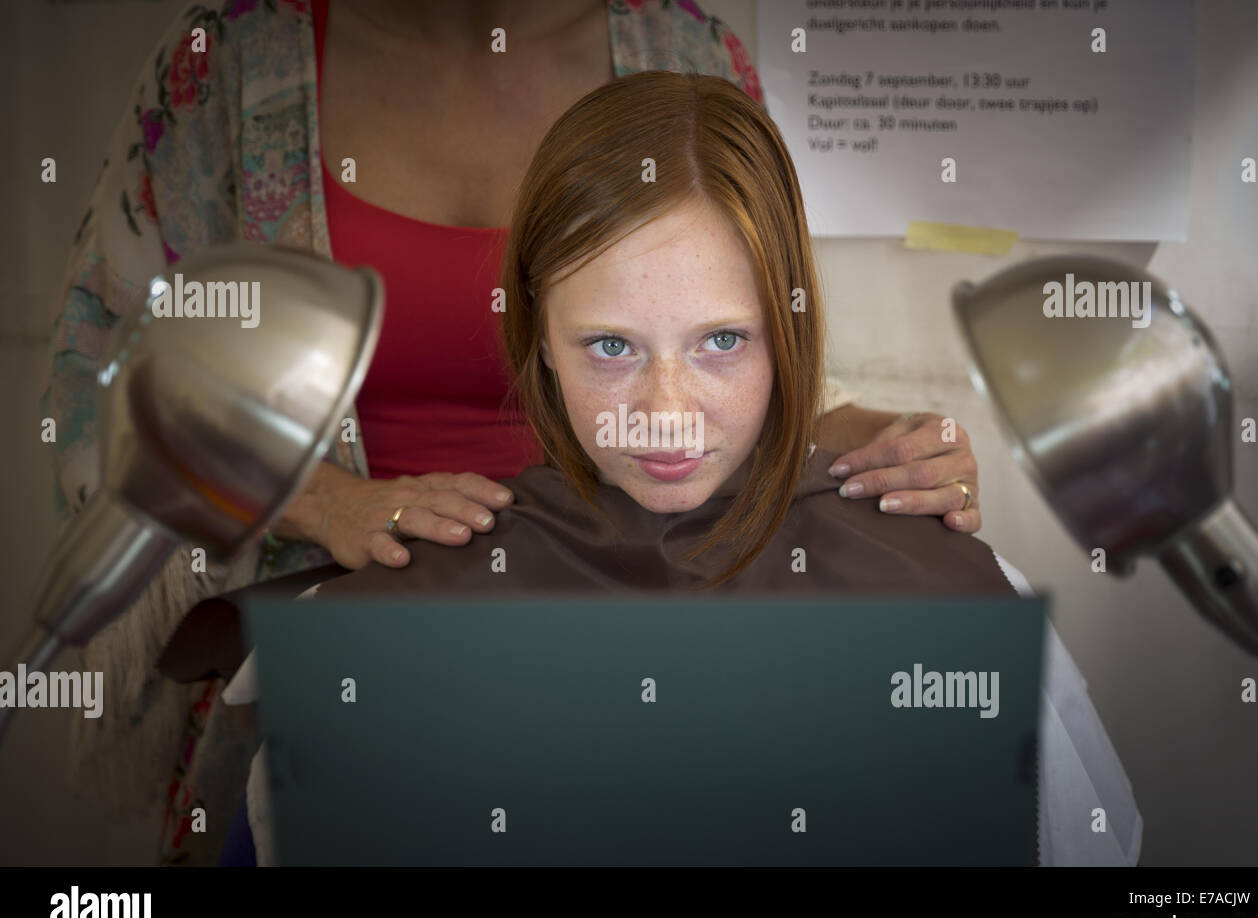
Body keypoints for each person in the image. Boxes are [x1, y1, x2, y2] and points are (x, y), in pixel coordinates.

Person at [41, 0, 984, 865]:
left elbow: (725, 326)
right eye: (603, 343)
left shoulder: (684, 47)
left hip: (630, 597)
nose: (660, 397)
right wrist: (323, 502)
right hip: (355, 618)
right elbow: (111, 379)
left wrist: (871, 433)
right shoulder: (230, 57)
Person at [221, 70, 1141, 865]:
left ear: (789, 332)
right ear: (538, 337)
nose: (664, 415)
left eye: (723, 341)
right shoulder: (361, 650)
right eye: (610, 344)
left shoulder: (966, 602)